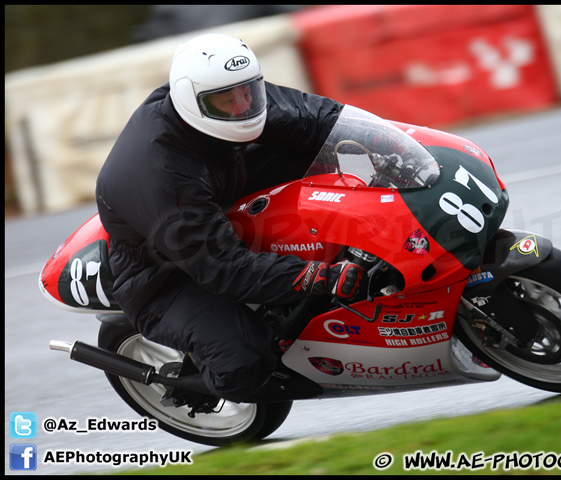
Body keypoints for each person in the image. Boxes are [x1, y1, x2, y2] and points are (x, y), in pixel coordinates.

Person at [95, 33, 363, 404]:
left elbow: (320, 118)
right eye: (227, 101)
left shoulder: (226, 90)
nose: (242, 106)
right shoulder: (161, 171)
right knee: (244, 362)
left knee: (323, 148)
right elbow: (222, 268)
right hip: (165, 273)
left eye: (248, 92)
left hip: (219, 189)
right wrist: (316, 276)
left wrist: (394, 143)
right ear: (193, 102)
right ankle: (197, 384)